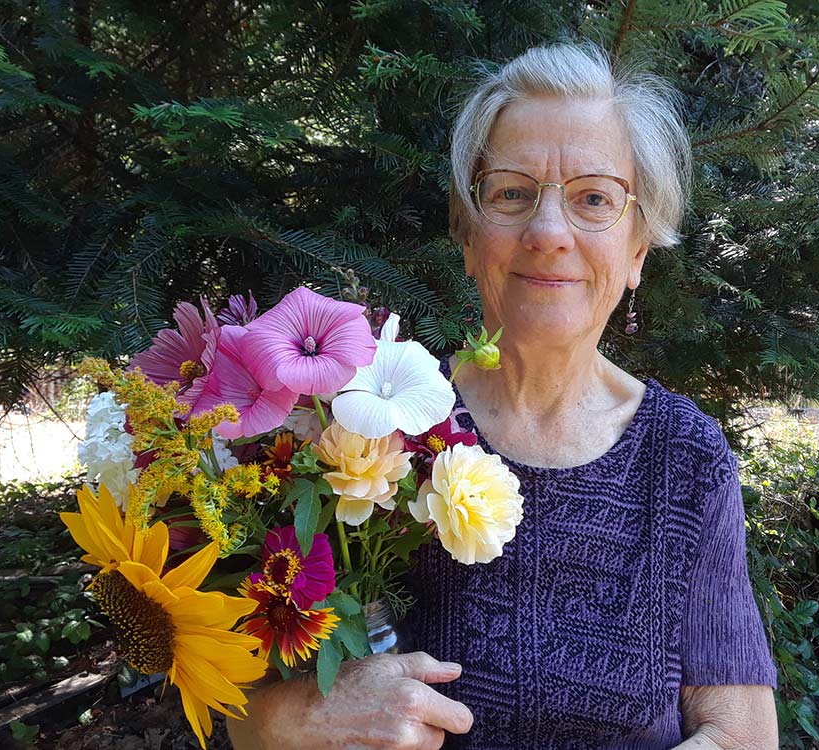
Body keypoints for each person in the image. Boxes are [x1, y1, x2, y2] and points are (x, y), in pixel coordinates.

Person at [228, 42, 778, 750]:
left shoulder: (686, 458)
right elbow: (232, 704)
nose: (549, 233)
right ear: (467, 232)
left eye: (594, 199)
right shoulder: (362, 429)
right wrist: (297, 715)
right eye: (513, 193)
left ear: (638, 249)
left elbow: (741, 733)